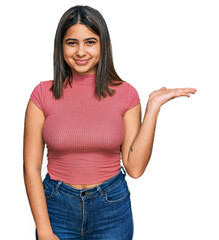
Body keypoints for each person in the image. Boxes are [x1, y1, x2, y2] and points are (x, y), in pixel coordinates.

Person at [23, 5, 197, 240]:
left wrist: (153, 107)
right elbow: (31, 168)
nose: (81, 51)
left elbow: (134, 168)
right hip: (57, 207)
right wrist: (44, 229)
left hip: (111, 207)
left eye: (90, 42)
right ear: (60, 46)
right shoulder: (42, 94)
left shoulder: (126, 94)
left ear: (103, 45)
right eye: (72, 42)